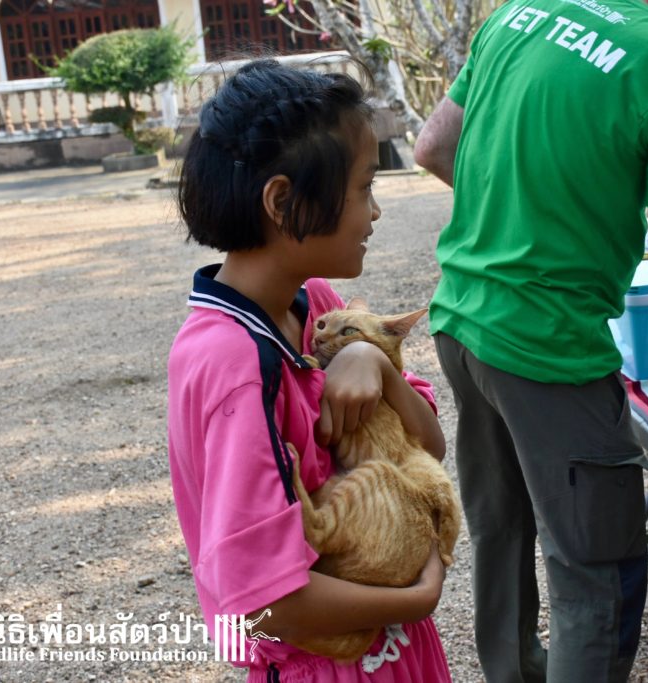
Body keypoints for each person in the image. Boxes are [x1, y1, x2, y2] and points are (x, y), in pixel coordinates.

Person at [413, 0, 648, 681]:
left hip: (460, 321)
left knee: (503, 532)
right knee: (595, 578)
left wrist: (524, 212)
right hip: (549, 349)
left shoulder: (523, 11)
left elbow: (433, 147)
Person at [168, 58, 452, 682]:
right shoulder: (234, 364)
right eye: (364, 188)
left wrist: (374, 361)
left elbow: (427, 449)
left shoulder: (318, 306)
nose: (375, 212)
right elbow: (265, 605)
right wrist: (416, 600)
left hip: (397, 653)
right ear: (282, 201)